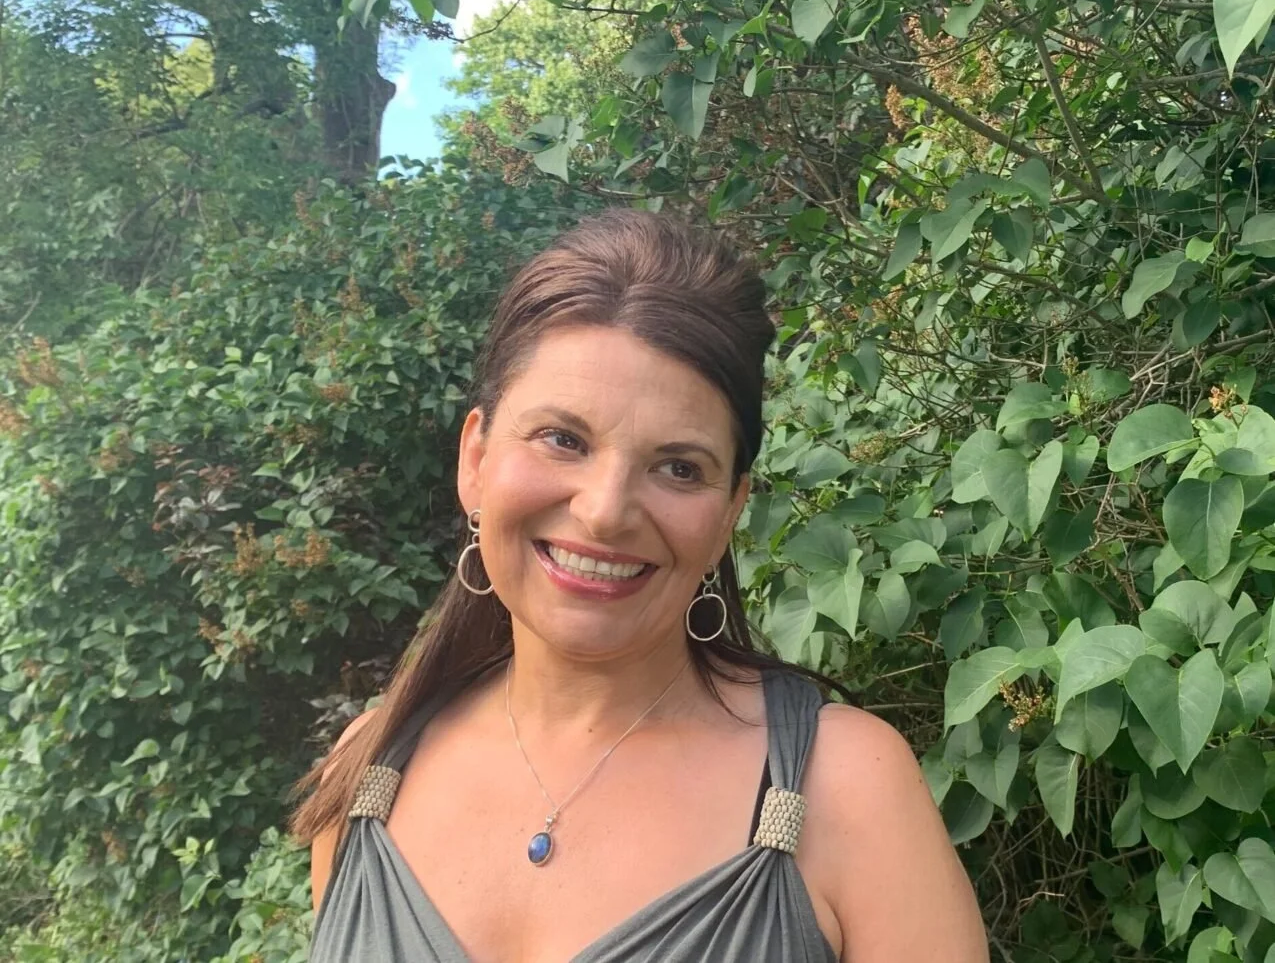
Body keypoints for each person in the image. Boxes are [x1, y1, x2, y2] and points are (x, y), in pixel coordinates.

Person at [292, 210, 989, 962]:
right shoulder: (369, 770)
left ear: (729, 512)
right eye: (563, 439)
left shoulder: (846, 789)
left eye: (678, 467)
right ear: (475, 460)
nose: (605, 511)